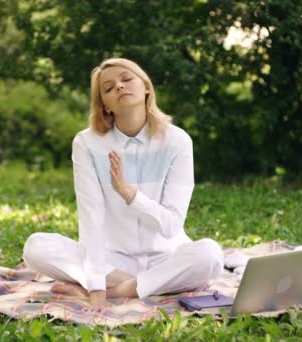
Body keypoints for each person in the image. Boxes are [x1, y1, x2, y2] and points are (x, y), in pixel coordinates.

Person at [23, 57, 224, 310]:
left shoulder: (177, 141)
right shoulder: (87, 143)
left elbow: (172, 226)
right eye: (108, 88)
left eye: (127, 79)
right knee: (36, 247)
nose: (119, 86)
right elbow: (91, 219)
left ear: (146, 87)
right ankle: (148, 286)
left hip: (166, 257)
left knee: (210, 255)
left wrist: (130, 195)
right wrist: (97, 285)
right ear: (105, 106)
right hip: (112, 262)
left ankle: (120, 292)